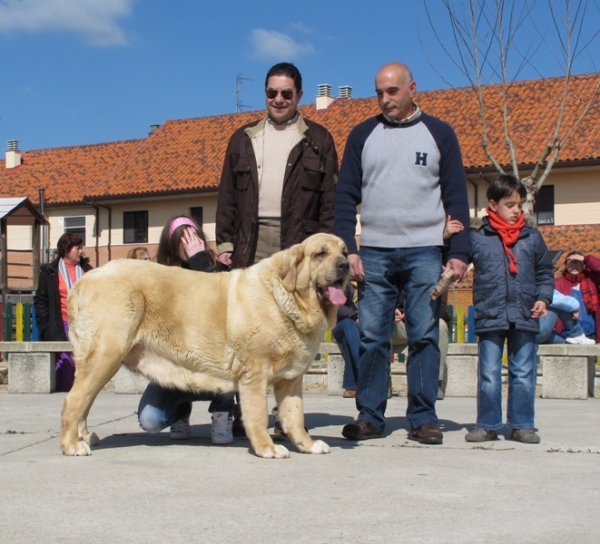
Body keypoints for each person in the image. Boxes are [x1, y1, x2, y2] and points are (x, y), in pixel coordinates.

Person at [335, 62, 470, 444]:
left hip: (425, 251)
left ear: (412, 88)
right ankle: (369, 416)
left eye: (392, 91)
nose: (384, 99)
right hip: (374, 251)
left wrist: (458, 252)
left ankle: (424, 418)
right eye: (378, 92)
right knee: (372, 336)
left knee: (425, 335)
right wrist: (350, 248)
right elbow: (345, 196)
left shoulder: (439, 133)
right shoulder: (363, 135)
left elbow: (456, 196)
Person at [216, 61, 338, 435]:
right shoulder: (243, 138)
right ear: (265, 95)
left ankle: (288, 417)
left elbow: (329, 204)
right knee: (246, 330)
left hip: (296, 247)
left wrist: (327, 250)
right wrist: (224, 243)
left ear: (299, 95)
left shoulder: (319, 139)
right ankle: (244, 415)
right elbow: (226, 197)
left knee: (290, 329)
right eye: (272, 93)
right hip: (250, 243)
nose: (279, 99)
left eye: (287, 93)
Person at [466, 175, 554, 444]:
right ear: (493, 205)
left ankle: (522, 424)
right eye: (510, 204)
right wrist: (447, 237)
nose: (518, 210)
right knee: (489, 373)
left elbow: (545, 271)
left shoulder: (532, 236)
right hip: (491, 312)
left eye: (521, 204)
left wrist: (543, 298)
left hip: (525, 313)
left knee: (524, 372)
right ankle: (488, 424)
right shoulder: (478, 237)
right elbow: (453, 260)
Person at [137, 215, 235, 444]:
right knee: (150, 421)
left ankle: (224, 411)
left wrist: (200, 261)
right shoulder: (159, 278)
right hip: (175, 371)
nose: (189, 243)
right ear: (171, 245)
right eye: (182, 239)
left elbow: (225, 313)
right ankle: (180, 411)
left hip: (215, 369)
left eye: (193, 236)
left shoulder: (218, 270)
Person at [34, 233, 92, 392]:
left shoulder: (88, 271)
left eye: (81, 248)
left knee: (83, 366)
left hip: (84, 325)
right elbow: (41, 300)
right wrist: (44, 326)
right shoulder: (49, 272)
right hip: (60, 325)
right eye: (77, 248)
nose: (81, 251)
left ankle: (80, 396)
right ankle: (63, 397)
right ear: (66, 250)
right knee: (65, 365)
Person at [390, 292, 451, 400]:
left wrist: (412, 314)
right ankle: (383, 381)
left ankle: (434, 383)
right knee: (383, 323)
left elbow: (441, 310)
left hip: (424, 324)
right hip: (400, 326)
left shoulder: (436, 278)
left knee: (440, 325)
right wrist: (391, 312)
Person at [554, 252, 599, 343]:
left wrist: (585, 259)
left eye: (577, 263)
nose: (574, 266)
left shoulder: (592, 280)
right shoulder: (558, 283)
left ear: (583, 265)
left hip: (590, 332)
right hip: (567, 334)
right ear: (566, 265)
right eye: (571, 263)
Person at [332, 283, 359, 398]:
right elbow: (336, 306)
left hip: (357, 329)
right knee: (348, 325)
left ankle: (351, 387)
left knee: (348, 340)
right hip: (340, 325)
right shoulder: (340, 282)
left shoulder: (368, 283)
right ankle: (366, 372)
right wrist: (355, 316)